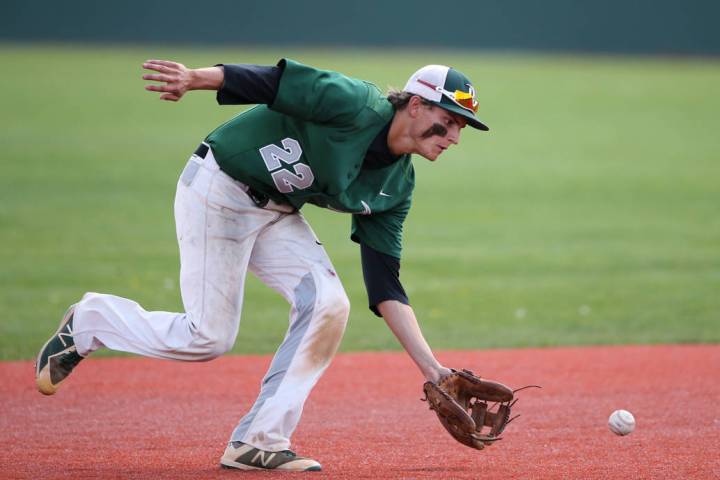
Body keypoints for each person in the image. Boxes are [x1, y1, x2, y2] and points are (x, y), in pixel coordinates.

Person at [35, 58, 489, 471]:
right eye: (446, 121)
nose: (452, 137)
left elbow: (385, 286)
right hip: (219, 188)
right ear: (414, 104)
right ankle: (92, 320)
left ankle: (260, 440)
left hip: (277, 212)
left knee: (331, 304)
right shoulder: (354, 102)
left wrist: (434, 370)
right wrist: (196, 79)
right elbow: (273, 82)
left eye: (459, 128)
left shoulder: (396, 187)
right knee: (208, 338)